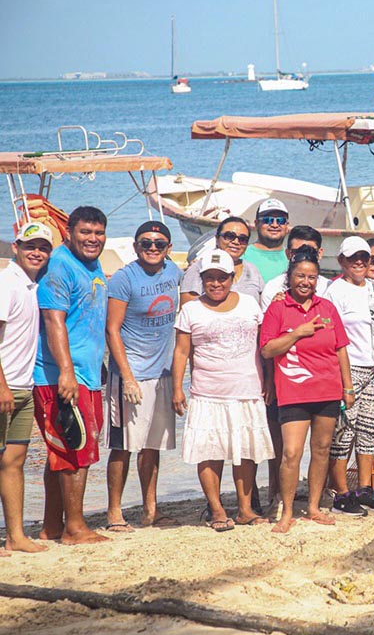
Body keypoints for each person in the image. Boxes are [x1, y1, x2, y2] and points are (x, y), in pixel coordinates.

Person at [172, 249, 274, 532]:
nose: (216, 284)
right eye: (210, 278)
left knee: (246, 450)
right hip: (208, 393)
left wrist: (270, 380)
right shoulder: (190, 310)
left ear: (232, 278)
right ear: (202, 279)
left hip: (247, 389)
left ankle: (245, 509)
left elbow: (263, 346)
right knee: (209, 451)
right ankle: (216, 509)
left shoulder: (250, 304)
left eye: (222, 278)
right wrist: (177, 389)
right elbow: (181, 352)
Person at [261, 247, 353, 532]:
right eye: (300, 276)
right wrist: (298, 333)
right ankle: (287, 511)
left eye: (311, 277)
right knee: (291, 453)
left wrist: (348, 387)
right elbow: (267, 350)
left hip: (327, 389)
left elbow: (341, 349)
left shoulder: (327, 308)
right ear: (289, 277)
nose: (306, 282)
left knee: (322, 449)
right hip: (293, 392)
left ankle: (313, 507)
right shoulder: (278, 308)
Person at [33, 206, 110, 544]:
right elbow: (54, 321)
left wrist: (98, 362)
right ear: (68, 232)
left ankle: (52, 525)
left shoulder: (91, 263)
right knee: (76, 447)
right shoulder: (60, 266)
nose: (93, 239)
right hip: (60, 375)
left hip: (85, 371)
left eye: (98, 233)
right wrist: (66, 372)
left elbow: (87, 316)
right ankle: (75, 528)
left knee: (61, 451)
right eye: (85, 232)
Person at [104, 221, 182, 532]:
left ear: (168, 248)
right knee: (123, 445)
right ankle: (114, 513)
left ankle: (151, 510)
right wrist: (127, 377)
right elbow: (112, 329)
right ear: (136, 247)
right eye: (146, 243)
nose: (152, 248)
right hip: (131, 374)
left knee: (152, 445)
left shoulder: (173, 271)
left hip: (162, 373)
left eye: (159, 243)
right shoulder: (124, 279)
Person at [326, 237, 374, 517]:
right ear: (341, 261)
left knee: (368, 431)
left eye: (365, 257)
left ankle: (365, 489)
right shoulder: (335, 291)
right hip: (349, 370)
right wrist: (345, 382)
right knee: (344, 433)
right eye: (353, 258)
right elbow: (332, 336)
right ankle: (341, 493)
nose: (360, 262)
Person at [0, 222, 53, 553]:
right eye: (30, 246)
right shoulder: (6, 283)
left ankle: (15, 536)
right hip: (5, 386)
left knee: (14, 462)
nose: (37, 252)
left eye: (43, 248)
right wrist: (2, 386)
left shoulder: (32, 286)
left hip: (24, 386)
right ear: (16, 247)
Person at [180, 216, 263, 305]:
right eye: (230, 236)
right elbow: (188, 308)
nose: (236, 242)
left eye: (242, 239)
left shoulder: (252, 270)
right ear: (217, 238)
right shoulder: (198, 268)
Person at [260, 225, 328, 309]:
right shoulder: (273, 288)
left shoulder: (329, 288)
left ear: (320, 254)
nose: (304, 257)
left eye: (310, 252)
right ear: (287, 253)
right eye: (297, 252)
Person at [243, 199, 292, 283]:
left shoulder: (292, 258)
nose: (275, 225)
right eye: (267, 220)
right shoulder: (242, 254)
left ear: (287, 226)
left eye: (281, 221)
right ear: (256, 224)